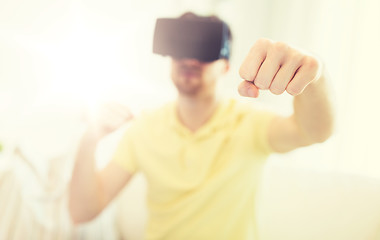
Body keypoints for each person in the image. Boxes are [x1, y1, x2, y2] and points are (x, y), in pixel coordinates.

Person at [69, 12, 334, 240]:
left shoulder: (249, 123)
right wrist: (90, 139)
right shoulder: (144, 129)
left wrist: (315, 76)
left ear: (226, 65)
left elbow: (314, 132)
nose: (190, 59)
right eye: (181, 47)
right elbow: (82, 211)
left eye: (204, 49)